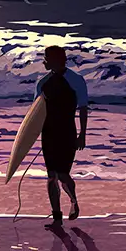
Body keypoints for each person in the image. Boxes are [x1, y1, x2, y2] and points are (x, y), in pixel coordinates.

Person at [36, 45, 89, 228]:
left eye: (46, 58)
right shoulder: (42, 83)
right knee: (51, 176)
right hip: (48, 133)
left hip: (67, 132)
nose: (44, 61)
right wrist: (31, 136)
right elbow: (36, 112)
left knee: (63, 174)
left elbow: (83, 108)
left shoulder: (75, 80)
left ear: (58, 60)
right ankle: (57, 217)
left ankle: (73, 200)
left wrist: (82, 134)